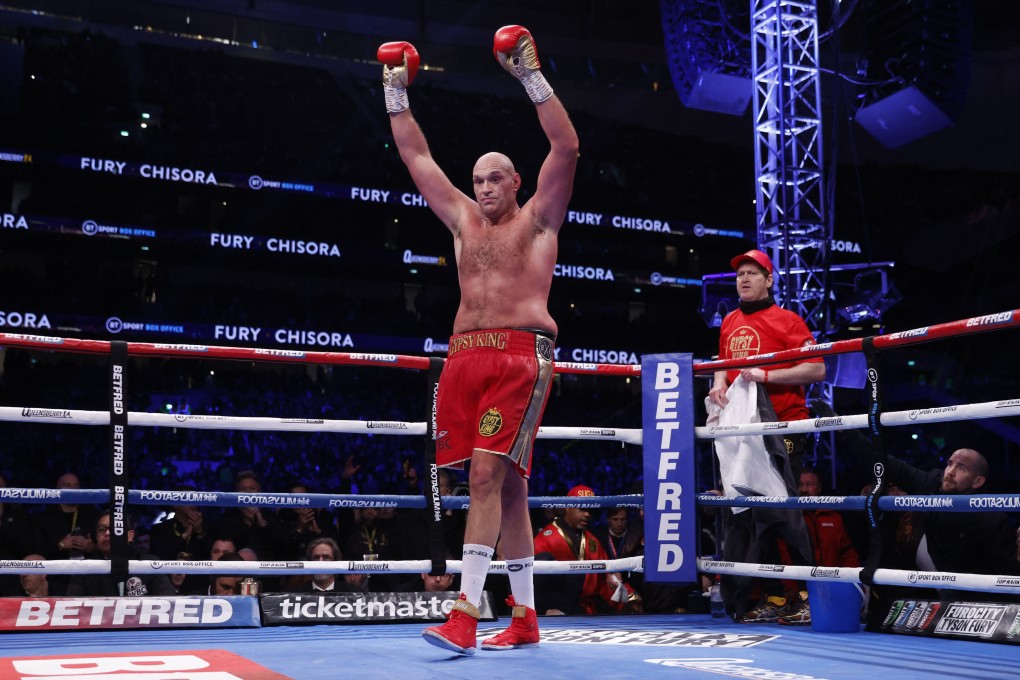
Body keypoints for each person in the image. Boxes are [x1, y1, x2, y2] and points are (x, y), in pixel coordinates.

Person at [379, 24, 578, 655]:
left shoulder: (540, 221)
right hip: (464, 356)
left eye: (495, 178)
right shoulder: (463, 222)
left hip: (522, 355)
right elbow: (416, 157)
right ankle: (524, 617)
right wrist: (395, 91)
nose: (485, 187)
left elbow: (567, 148)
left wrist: (528, 74)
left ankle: (465, 612)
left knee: (487, 478)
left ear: (517, 181)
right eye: (479, 179)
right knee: (508, 488)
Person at [706, 249, 823, 624]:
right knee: (746, 514)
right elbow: (722, 366)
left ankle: (809, 595)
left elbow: (817, 368)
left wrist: (767, 376)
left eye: (752, 273)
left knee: (781, 510)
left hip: (783, 425)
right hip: (742, 429)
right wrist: (718, 386)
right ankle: (766, 598)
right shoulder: (729, 321)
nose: (743, 278)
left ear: (769, 280)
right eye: (740, 273)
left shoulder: (788, 321)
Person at [533, 485, 640, 616]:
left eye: (589, 510)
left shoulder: (592, 541)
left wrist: (630, 597)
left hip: (585, 611)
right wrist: (543, 609)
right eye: (582, 509)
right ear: (567, 507)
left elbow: (607, 580)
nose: (587, 514)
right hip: (552, 611)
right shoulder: (546, 538)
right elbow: (531, 582)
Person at [65, 510, 177, 597]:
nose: (107, 533)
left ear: (130, 536)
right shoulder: (84, 569)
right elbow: (71, 606)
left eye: (114, 528)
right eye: (101, 530)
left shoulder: (150, 564)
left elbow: (169, 602)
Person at [289, 537, 362, 593]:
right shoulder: (296, 593)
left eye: (326, 557)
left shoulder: (353, 593)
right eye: (316, 558)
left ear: (336, 561)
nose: (320, 562)